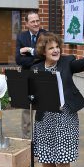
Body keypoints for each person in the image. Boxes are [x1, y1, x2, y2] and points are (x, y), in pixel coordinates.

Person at [31, 28, 84, 167]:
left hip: (65, 117)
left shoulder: (67, 62)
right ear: (43, 52)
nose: (55, 50)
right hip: (44, 118)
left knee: (62, 157)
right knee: (45, 157)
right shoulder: (36, 68)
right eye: (51, 48)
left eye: (57, 47)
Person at [15, 10, 47, 139]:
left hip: (43, 75)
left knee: (44, 105)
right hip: (27, 75)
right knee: (27, 107)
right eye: (32, 21)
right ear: (27, 23)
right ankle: (26, 137)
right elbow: (18, 59)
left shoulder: (45, 35)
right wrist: (37, 58)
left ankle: (43, 135)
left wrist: (29, 50)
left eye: (37, 21)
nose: (35, 23)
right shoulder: (21, 37)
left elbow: (45, 54)